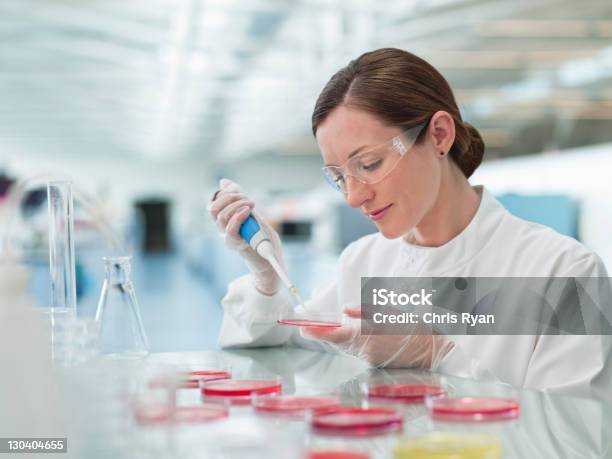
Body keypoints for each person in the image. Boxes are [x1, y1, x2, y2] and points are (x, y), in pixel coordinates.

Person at [208, 48, 611, 399]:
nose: (353, 197)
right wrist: (266, 279)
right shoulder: (365, 264)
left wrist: (439, 355)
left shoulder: (563, 274)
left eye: (369, 164)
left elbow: (578, 436)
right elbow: (278, 345)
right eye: (339, 176)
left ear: (438, 135)